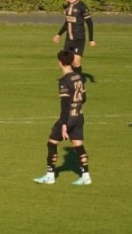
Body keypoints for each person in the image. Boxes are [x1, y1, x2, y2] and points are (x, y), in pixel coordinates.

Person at [35, 49, 91, 186]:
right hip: (79, 116)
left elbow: (65, 104)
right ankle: (86, 176)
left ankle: (50, 176)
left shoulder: (64, 81)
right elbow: (83, 98)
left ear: (60, 62)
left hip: (68, 118)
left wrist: (64, 124)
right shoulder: (78, 76)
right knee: (78, 145)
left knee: (52, 143)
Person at [52, 0, 95, 74]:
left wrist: (91, 39)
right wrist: (58, 35)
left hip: (78, 39)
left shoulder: (81, 6)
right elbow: (67, 22)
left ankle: (78, 80)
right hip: (68, 40)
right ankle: (70, 79)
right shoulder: (68, 6)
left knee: (76, 62)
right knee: (65, 62)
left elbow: (90, 23)